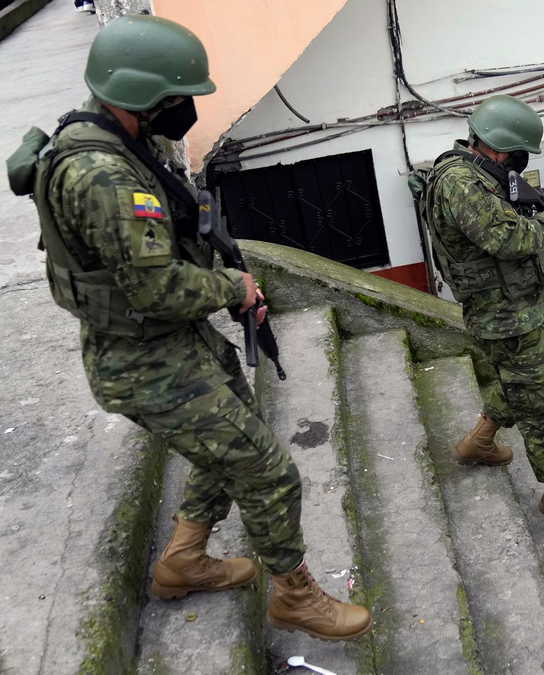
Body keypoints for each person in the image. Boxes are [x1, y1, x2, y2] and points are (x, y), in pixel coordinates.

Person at [29, 16, 369, 641]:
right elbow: (155, 288)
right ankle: (296, 596)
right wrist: (231, 289)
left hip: (169, 339)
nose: (187, 109)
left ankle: (183, 561)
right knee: (268, 471)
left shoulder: (123, 142)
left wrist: (228, 286)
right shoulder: (103, 176)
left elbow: (171, 244)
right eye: (180, 99)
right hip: (143, 360)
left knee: (232, 441)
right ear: (145, 100)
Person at [419, 94, 544, 537]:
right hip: (506, 319)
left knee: (530, 381)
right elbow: (507, 239)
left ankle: (479, 440)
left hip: (522, 308)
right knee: (543, 406)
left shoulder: (475, 175)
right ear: (503, 147)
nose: (520, 163)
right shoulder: (459, 183)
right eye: (520, 154)